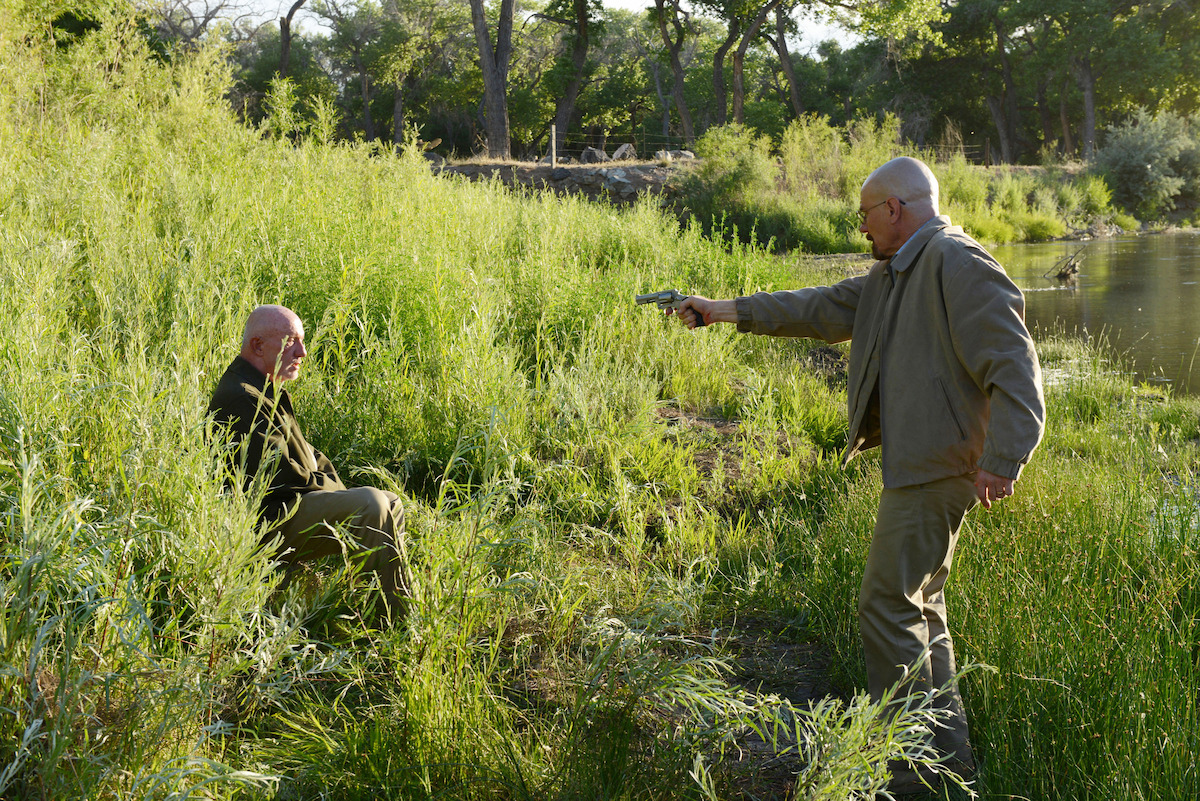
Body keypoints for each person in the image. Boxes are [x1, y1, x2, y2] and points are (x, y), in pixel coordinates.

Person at [674, 157, 1045, 792]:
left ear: (894, 210)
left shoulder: (957, 263)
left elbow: (1015, 366)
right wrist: (723, 310)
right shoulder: (894, 273)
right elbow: (818, 306)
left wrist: (1003, 461)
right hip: (920, 464)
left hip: (940, 467)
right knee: (920, 610)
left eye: (866, 215)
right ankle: (945, 769)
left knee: (884, 606)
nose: (862, 227)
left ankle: (906, 777)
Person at [208, 304, 410, 621]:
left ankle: (378, 610)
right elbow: (284, 475)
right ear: (258, 345)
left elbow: (308, 459)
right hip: (267, 521)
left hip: (289, 506)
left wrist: (313, 468)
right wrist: (315, 470)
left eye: (302, 341)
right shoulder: (241, 395)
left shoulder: (262, 388)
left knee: (390, 502)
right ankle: (394, 625)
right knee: (370, 503)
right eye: (291, 341)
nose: (302, 352)